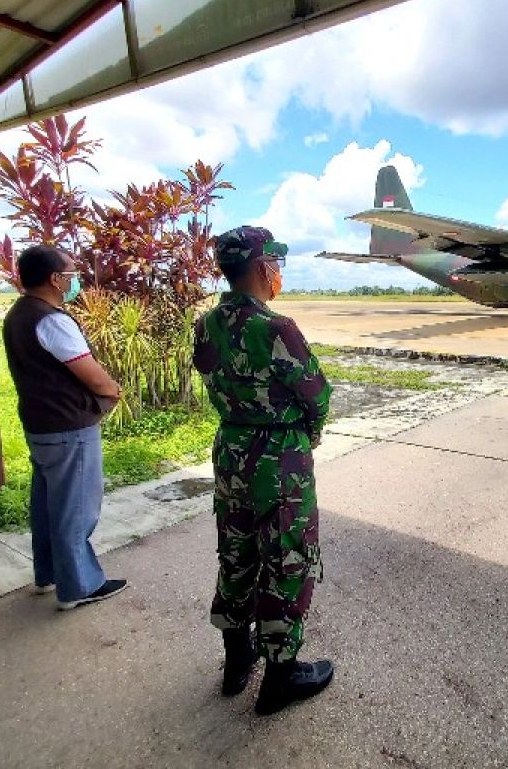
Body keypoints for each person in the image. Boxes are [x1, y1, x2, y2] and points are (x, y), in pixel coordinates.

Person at [193, 226, 333, 715]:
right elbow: (317, 394)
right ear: (259, 269)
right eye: (274, 263)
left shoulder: (205, 326)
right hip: (280, 459)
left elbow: (211, 379)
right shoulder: (277, 329)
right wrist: (306, 435)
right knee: (286, 560)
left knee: (236, 553)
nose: (278, 272)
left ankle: (236, 661)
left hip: (230, 451)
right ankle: (280, 675)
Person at [2, 245, 127, 610]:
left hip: (41, 425)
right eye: (71, 273)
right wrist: (112, 390)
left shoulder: (18, 314)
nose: (75, 280)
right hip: (68, 428)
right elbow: (88, 370)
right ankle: (79, 586)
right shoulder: (51, 319)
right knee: (76, 509)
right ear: (55, 279)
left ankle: (49, 575)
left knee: (47, 506)